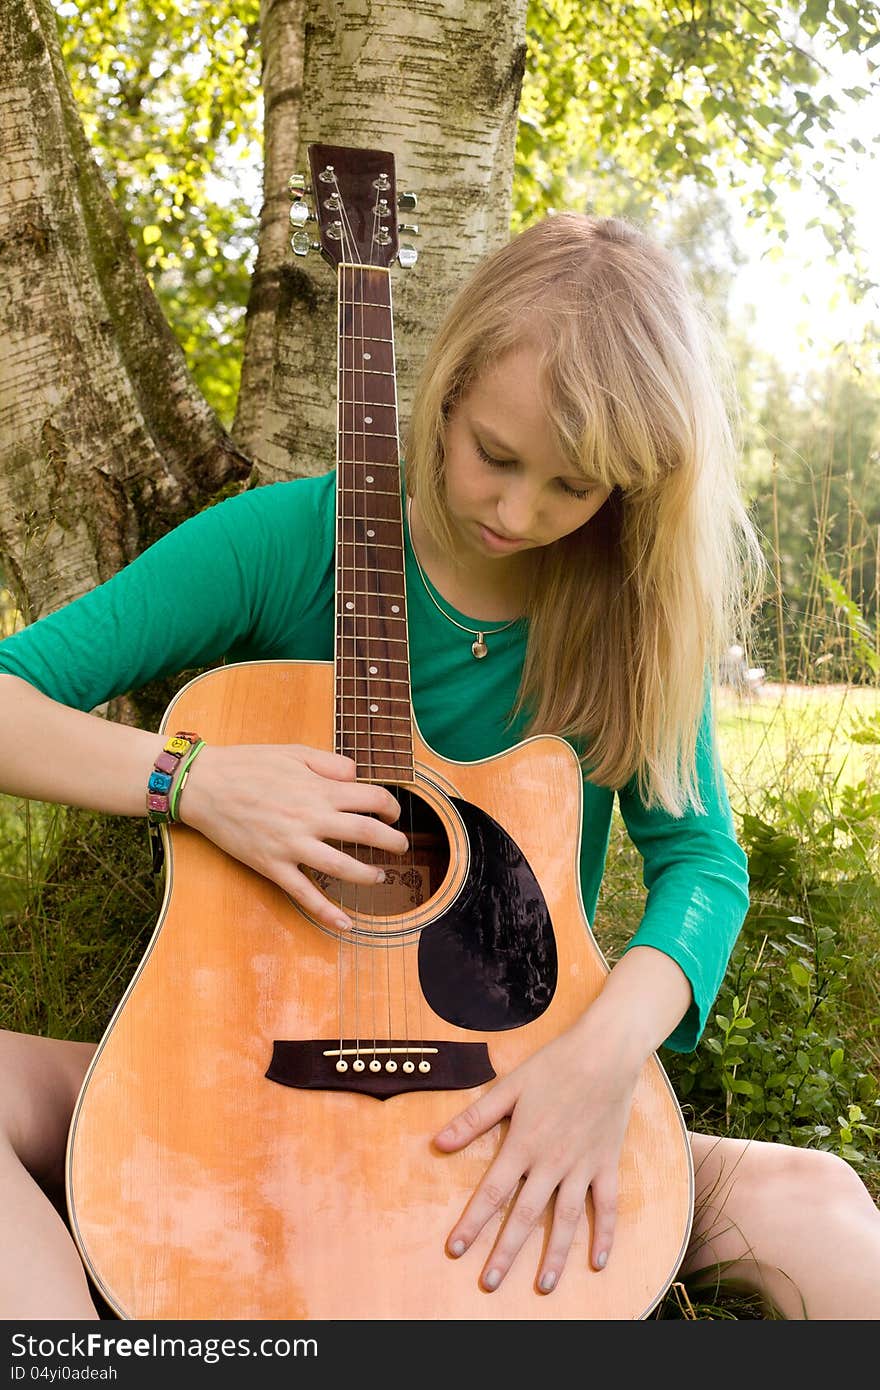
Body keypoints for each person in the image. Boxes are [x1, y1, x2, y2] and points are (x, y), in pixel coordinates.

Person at [1, 213, 878, 1322]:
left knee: (818, 1195)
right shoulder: (284, 543)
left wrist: (599, 1061)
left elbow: (702, 866)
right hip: (241, 1077)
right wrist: (195, 779)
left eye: (575, 488)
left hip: (506, 1093)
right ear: (447, 389)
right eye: (495, 458)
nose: (519, 511)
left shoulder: (627, 612)